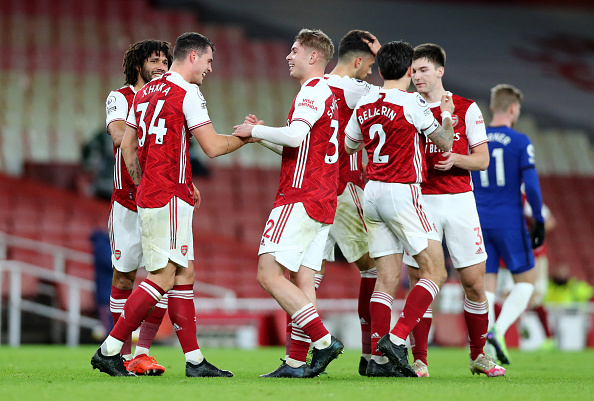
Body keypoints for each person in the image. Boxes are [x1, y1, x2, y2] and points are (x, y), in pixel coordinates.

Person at [92, 32, 256, 377]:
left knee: (184, 274)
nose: (209, 68)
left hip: (156, 193)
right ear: (193, 56)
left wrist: (142, 183)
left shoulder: (145, 93)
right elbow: (213, 147)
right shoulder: (186, 91)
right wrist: (248, 136)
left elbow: (129, 146)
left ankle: (194, 360)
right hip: (167, 197)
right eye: (208, 61)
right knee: (163, 276)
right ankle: (110, 350)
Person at [233, 29, 344, 378]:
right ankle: (296, 362)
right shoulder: (329, 95)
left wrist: (255, 132)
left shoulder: (311, 91)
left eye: (295, 50)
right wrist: (262, 137)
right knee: (303, 281)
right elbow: (300, 147)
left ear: (313, 56)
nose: (288, 56)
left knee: (268, 274)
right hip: (323, 199)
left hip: (300, 197)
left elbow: (294, 136)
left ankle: (323, 341)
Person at [344, 40, 454, 377]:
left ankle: (377, 361)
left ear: (379, 70)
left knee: (387, 278)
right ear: (408, 70)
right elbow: (444, 142)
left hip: (372, 192)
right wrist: (446, 114)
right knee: (436, 271)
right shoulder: (412, 102)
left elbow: (349, 144)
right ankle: (395, 338)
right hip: (401, 190)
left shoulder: (365, 102)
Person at [401, 43, 505, 377]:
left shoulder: (467, 108)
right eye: (413, 71)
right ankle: (419, 360)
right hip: (421, 201)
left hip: (460, 201)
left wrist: (456, 159)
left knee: (473, 282)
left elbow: (483, 160)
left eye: (423, 70)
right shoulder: (406, 106)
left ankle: (478, 355)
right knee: (422, 280)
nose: (417, 76)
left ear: (440, 71)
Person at [104, 39, 173, 375]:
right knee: (124, 276)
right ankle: (120, 354)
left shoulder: (170, 98)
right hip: (127, 204)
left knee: (162, 276)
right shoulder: (121, 97)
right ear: (137, 65)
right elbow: (119, 135)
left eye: (165, 61)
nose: (161, 66)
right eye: (154, 60)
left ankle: (142, 353)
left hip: (159, 201)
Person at [471, 84, 546, 365]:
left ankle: (489, 351)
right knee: (527, 282)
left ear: (492, 108)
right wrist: (538, 220)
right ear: (514, 109)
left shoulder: (474, 139)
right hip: (509, 221)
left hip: (479, 220)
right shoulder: (520, 141)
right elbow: (532, 187)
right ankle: (498, 331)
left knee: (487, 285)